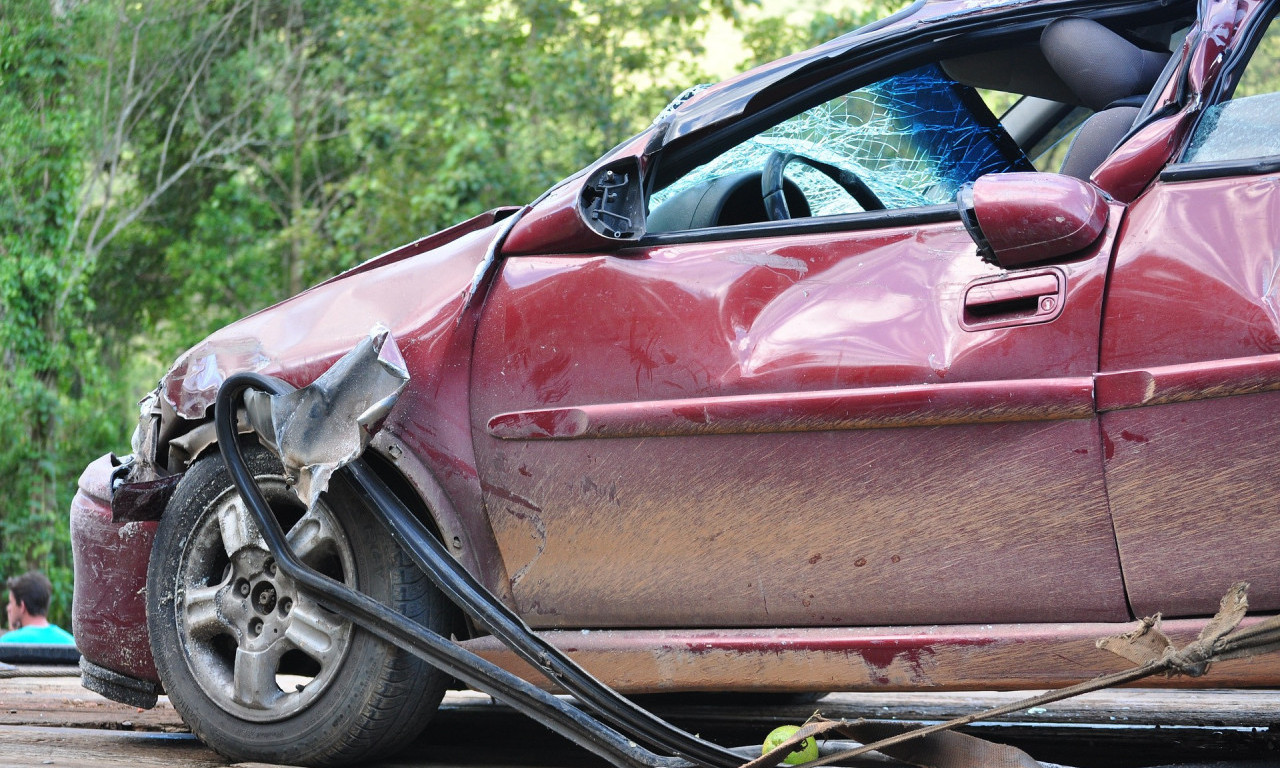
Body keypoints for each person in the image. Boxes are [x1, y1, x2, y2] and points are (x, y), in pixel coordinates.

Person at [3, 570, 75, 645]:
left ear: (22, 606)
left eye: (11, 602)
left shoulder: (6, 643)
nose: (8, 608)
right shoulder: (72, 644)